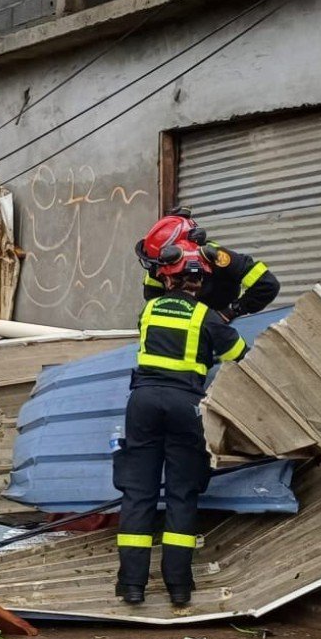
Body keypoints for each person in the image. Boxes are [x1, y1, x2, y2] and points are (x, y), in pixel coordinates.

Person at [114, 233, 248, 608]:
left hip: (141, 404)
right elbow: (239, 354)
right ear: (199, 281)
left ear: (167, 278)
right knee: (181, 494)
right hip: (185, 406)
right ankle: (178, 588)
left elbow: (150, 301)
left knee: (138, 493)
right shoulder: (205, 317)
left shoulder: (149, 311)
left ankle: (132, 586)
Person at [137, 213, 279, 318]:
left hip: (221, 330)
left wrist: (232, 311)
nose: (157, 271)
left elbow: (266, 285)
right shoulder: (156, 269)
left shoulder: (218, 258)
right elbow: (153, 305)